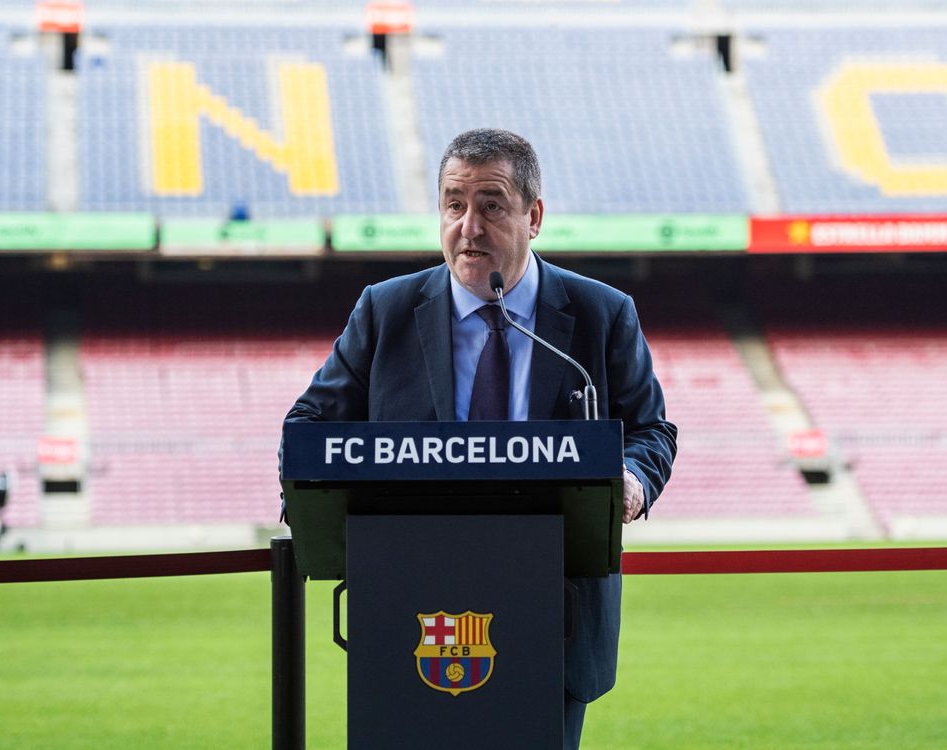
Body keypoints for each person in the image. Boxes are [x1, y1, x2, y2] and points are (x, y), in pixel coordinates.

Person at [285, 128, 677, 749]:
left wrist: (630, 480)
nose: (469, 227)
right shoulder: (384, 311)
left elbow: (651, 429)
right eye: (454, 204)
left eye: (491, 205)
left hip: (556, 613)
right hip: (409, 610)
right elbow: (309, 426)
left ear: (534, 216)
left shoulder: (602, 314)